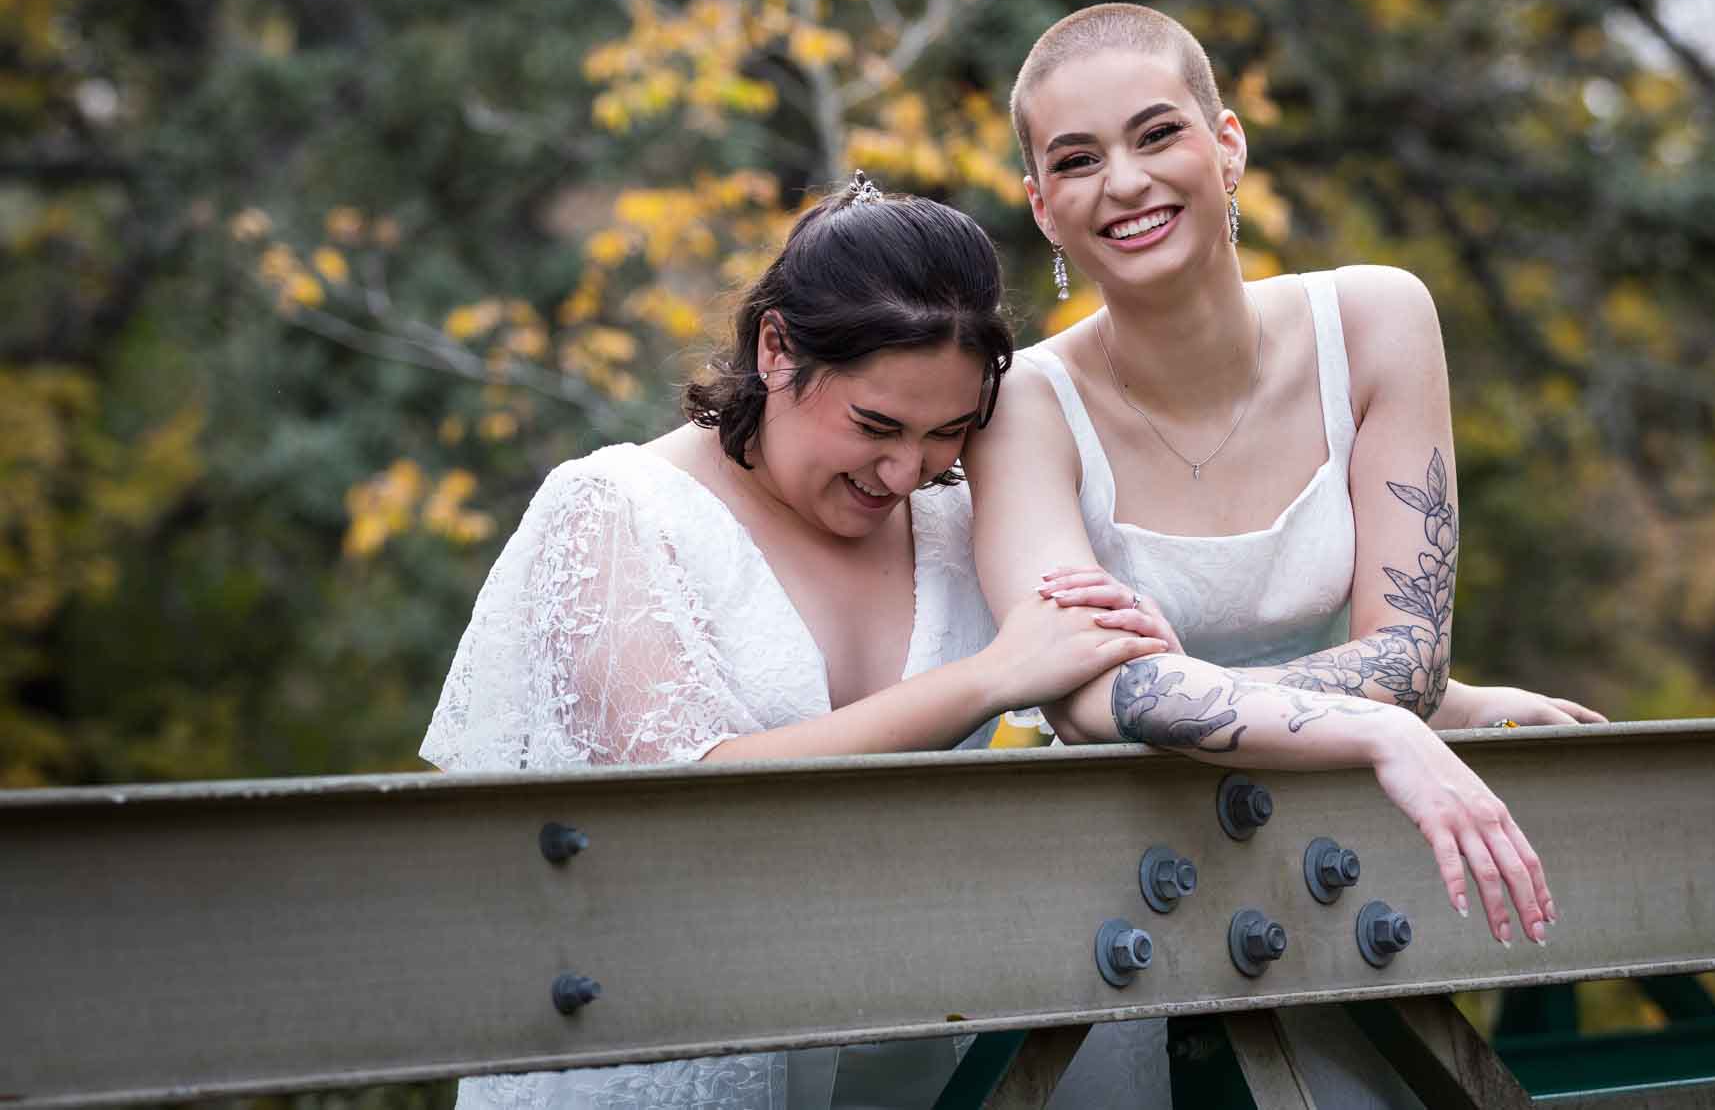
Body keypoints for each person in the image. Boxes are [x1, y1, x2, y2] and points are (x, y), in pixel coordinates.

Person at [964, 5, 1606, 1100]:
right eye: (1076, 160)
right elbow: (1072, 697)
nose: (1122, 182)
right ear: (1041, 207)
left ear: (1227, 145)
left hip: (1351, 891)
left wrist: (1417, 702)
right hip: (1117, 920)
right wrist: (1383, 721)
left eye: (1155, 134)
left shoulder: (1376, 320)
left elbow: (1402, 656)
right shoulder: (1020, 401)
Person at [420, 175, 1170, 1110]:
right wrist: (989, 678)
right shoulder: (615, 509)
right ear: (776, 348)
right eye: (875, 424)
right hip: (671, 1057)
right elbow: (684, 800)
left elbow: (1093, 667)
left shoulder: (961, 528)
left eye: (949, 433)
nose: (905, 471)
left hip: (913, 1066)